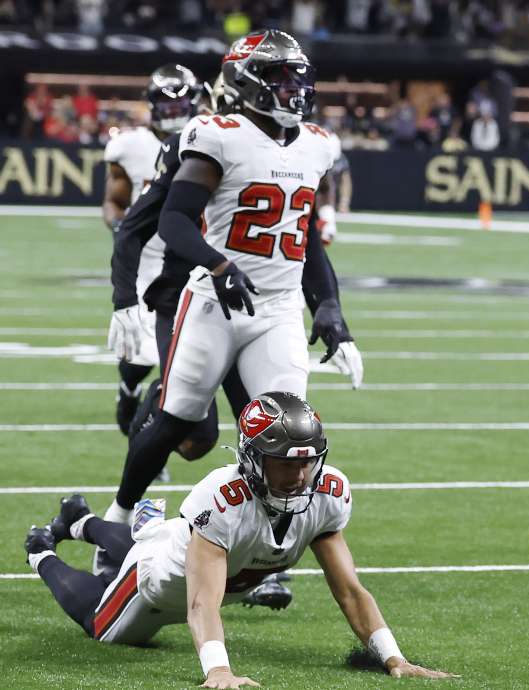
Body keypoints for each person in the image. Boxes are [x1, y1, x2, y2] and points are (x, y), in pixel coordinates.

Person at [102, 29, 363, 563]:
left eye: (297, 77)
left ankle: (266, 552)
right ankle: (117, 521)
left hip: (279, 308)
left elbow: (306, 238)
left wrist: (329, 307)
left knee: (285, 432)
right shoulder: (217, 135)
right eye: (280, 78)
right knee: (179, 419)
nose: (293, 88)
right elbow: (172, 220)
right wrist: (218, 264)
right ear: (246, 83)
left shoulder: (316, 143)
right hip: (211, 304)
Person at [23, 392, 453, 687]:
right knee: (103, 626)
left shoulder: (327, 493)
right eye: (285, 463)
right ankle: (41, 551)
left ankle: (80, 520)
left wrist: (394, 658)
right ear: (252, 458)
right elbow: (200, 602)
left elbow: (350, 591)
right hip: (160, 583)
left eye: (307, 462)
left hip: (191, 548)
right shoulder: (223, 497)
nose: (300, 475)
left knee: (157, 536)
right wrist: (218, 669)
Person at [104, 64, 204, 437]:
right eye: (166, 103)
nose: (174, 111)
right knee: (139, 356)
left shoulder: (211, 138)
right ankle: (129, 388)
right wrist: (123, 230)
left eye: (181, 103)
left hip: (194, 260)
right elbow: (114, 202)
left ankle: (153, 434)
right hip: (146, 261)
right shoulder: (131, 145)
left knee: (178, 362)